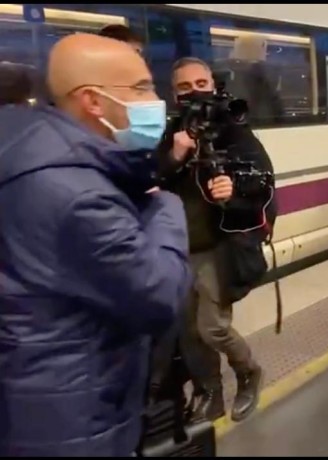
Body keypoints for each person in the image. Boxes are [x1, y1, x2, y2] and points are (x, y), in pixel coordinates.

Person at [0, 33, 191, 456]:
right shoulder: (78, 194)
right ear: (93, 101)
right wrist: (166, 207)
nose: (155, 100)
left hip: (31, 394)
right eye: (142, 88)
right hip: (72, 414)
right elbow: (159, 295)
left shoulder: (28, 149)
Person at [157, 56, 275, 423]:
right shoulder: (172, 132)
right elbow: (152, 175)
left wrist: (233, 190)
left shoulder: (234, 129)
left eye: (201, 84)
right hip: (178, 247)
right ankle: (211, 393)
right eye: (184, 87)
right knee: (188, 331)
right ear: (174, 94)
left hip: (217, 247)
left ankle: (248, 371)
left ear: (213, 85)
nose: (194, 93)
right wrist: (175, 155)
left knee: (212, 328)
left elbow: (263, 183)